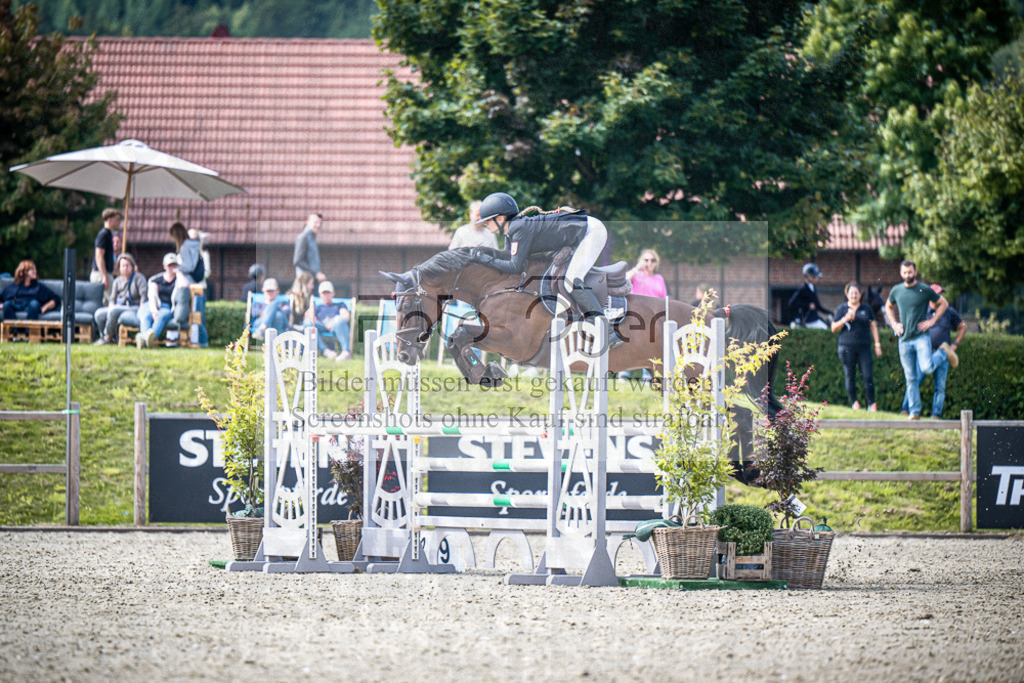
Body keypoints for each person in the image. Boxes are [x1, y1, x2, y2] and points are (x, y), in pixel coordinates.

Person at [466, 192, 623, 347]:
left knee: (571, 281)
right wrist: (482, 257)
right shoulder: (512, 232)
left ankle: (607, 328)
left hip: (591, 232)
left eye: (488, 221)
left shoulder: (519, 228)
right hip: (581, 232)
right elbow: (508, 258)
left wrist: (482, 258)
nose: (485, 224)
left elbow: (515, 266)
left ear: (500, 219)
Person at [884, 260, 959, 420]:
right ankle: (914, 411)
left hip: (921, 338)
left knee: (926, 368)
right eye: (904, 273)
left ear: (915, 272)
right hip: (904, 340)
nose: (907, 275)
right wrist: (894, 324)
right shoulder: (896, 290)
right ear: (901, 273)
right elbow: (888, 307)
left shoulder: (924, 289)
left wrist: (932, 321)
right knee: (910, 377)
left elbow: (943, 303)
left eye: (910, 272)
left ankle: (943, 353)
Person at [899, 283, 967, 419]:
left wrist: (955, 344)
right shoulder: (921, 311)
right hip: (925, 352)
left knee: (940, 386)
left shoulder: (948, 310)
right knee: (915, 380)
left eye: (940, 293)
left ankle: (936, 414)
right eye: (935, 294)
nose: (938, 296)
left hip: (942, 355)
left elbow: (963, 326)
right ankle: (905, 409)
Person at [830, 282, 882, 411]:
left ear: (860, 294)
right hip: (846, 347)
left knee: (868, 376)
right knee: (850, 375)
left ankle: (872, 404)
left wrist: (877, 344)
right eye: (851, 293)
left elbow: (873, 326)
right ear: (847, 294)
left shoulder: (867, 308)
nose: (854, 295)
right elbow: (833, 328)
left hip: (864, 347)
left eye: (856, 293)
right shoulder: (842, 309)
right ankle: (855, 403)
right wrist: (845, 319)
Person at [94, 254, 147, 345]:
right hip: (118, 306)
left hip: (133, 307)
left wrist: (142, 305)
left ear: (132, 266)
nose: (125, 268)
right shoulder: (117, 281)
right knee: (99, 313)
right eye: (123, 266)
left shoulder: (139, 278)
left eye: (127, 265)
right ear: (119, 268)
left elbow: (144, 296)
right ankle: (106, 336)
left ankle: (108, 337)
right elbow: (112, 298)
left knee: (114, 310)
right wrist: (111, 306)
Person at [138, 253, 188, 348]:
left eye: (174, 265)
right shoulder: (156, 279)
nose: (172, 267)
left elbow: (185, 287)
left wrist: (179, 272)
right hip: (150, 305)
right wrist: (153, 310)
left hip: (166, 307)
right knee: (145, 316)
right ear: (164, 266)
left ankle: (145, 340)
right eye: (170, 265)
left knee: (160, 317)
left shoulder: (179, 280)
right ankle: (146, 339)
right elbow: (152, 296)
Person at [170, 222, 207, 347]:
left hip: (189, 283)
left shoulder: (184, 246)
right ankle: (202, 341)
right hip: (197, 283)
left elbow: (189, 266)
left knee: (192, 313)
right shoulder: (194, 245)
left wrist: (178, 268)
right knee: (199, 314)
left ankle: (194, 340)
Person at [307, 280, 352, 360]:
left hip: (335, 325)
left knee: (341, 321)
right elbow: (308, 316)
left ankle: (346, 352)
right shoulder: (317, 307)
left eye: (328, 293)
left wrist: (333, 322)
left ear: (333, 293)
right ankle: (326, 351)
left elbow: (345, 316)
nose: (326, 295)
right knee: (308, 324)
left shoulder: (340, 305)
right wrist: (313, 318)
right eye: (324, 293)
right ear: (320, 294)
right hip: (322, 325)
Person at [788, 263, 830, 329]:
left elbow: (818, 306)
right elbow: (791, 303)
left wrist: (830, 312)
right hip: (807, 319)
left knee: (826, 326)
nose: (817, 279)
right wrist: (807, 305)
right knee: (824, 328)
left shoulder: (813, 288)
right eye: (814, 277)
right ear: (809, 276)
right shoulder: (803, 288)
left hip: (814, 318)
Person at [91, 208, 120, 296]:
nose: (119, 222)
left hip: (106, 273)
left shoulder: (109, 235)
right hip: (101, 274)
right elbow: (99, 256)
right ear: (109, 220)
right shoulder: (103, 235)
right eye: (117, 220)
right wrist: (104, 276)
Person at [293, 212, 325, 282]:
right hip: (305, 282)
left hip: (312, 282)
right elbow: (298, 261)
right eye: (316, 222)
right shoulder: (304, 237)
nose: (318, 225)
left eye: (320, 223)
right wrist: (316, 274)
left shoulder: (312, 238)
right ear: (307, 222)